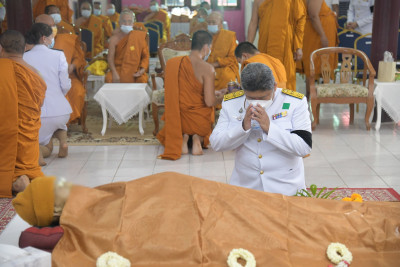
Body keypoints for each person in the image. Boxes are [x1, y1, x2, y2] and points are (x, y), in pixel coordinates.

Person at [12, 173, 400, 266]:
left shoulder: (107, 190)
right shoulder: (82, 223)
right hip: (189, 217)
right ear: (58, 210)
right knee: (274, 228)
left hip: (204, 195)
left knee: (282, 213)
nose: (68, 186)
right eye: (60, 190)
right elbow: (35, 239)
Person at [210, 63, 312, 195]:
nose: (257, 102)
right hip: (246, 187)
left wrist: (270, 128)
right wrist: (242, 128)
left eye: (263, 97)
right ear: (243, 90)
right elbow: (216, 143)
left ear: (275, 87)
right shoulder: (231, 103)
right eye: (251, 98)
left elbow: (304, 147)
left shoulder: (295, 102)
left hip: (286, 187)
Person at [157, 30, 226, 160]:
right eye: (210, 47)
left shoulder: (174, 63)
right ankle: (196, 139)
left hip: (178, 119)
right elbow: (210, 101)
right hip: (198, 121)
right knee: (208, 112)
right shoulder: (207, 68)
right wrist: (224, 96)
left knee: (184, 126)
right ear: (206, 47)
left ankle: (184, 138)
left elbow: (183, 89)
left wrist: (215, 92)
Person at [0, 30, 46, 197]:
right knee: (28, 162)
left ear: (1, 49)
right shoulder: (35, 73)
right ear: (25, 48)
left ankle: (14, 180)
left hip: (4, 134)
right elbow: (37, 104)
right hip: (28, 138)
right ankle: (25, 175)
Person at [24, 23, 72, 164]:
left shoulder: (23, 57)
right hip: (61, 112)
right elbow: (65, 84)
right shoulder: (59, 55)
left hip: (36, 114)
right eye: (52, 37)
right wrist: (58, 95)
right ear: (44, 38)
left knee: (44, 144)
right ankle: (63, 142)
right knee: (59, 126)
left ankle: (38, 152)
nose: (53, 40)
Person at [36, 14, 86, 126]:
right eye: (47, 26)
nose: (51, 28)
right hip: (41, 80)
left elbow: (79, 58)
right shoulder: (32, 42)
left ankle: (65, 122)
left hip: (68, 77)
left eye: (53, 25)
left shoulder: (68, 38)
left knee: (77, 91)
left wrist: (73, 66)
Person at [247, 0, 306, 91]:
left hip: (286, 47)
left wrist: (298, 46)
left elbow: (300, 19)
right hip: (265, 45)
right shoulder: (258, 1)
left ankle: (286, 104)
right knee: (265, 78)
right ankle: (267, 104)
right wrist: (248, 46)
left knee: (286, 79)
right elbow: (253, 22)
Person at [300, 0, 338, 98]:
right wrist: (323, 35)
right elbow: (313, 15)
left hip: (317, 34)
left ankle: (313, 97)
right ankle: (310, 98)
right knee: (312, 67)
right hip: (316, 36)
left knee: (314, 66)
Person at [106, 9, 149, 84]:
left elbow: (145, 56)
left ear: (133, 24)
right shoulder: (114, 39)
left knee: (142, 80)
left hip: (136, 70)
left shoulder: (138, 36)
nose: (126, 24)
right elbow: (110, 58)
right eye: (124, 21)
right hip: (119, 69)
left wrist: (142, 70)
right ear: (119, 23)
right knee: (109, 78)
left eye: (129, 21)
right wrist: (114, 72)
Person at [206, 12, 240, 93]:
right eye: (209, 22)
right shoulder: (204, 36)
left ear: (221, 23)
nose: (211, 24)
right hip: (206, 67)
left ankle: (226, 103)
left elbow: (232, 58)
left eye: (213, 22)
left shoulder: (229, 36)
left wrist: (214, 64)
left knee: (227, 77)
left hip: (224, 67)